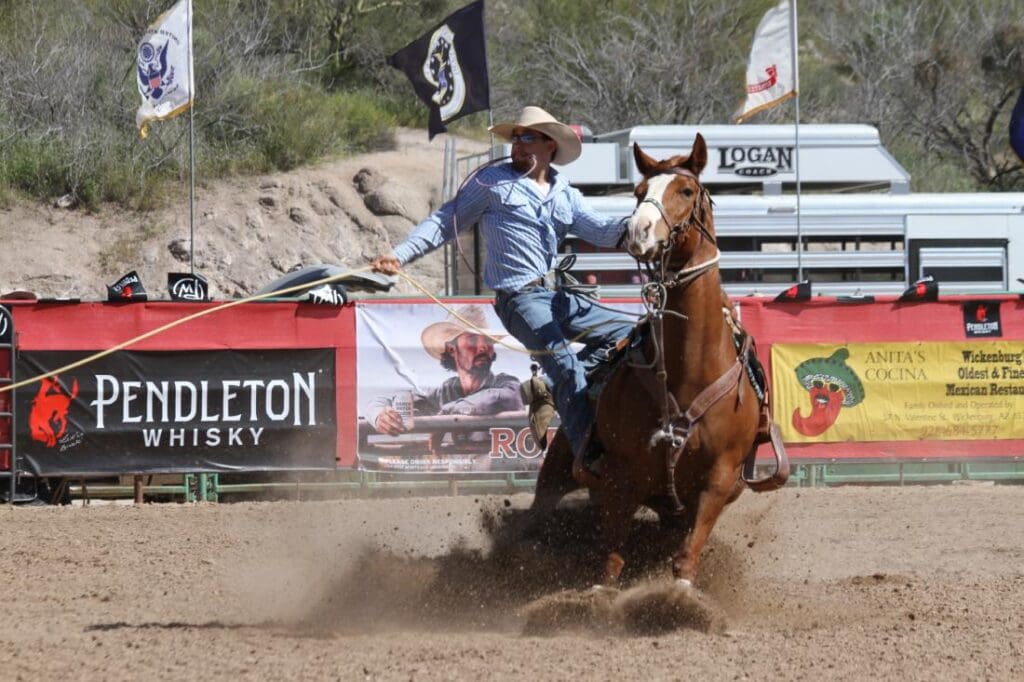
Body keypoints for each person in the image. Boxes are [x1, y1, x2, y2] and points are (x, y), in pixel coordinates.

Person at [370, 105, 635, 477]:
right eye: (515, 137)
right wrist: (400, 254)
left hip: (558, 297)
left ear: (549, 146)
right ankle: (588, 459)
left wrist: (641, 224)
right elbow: (445, 221)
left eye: (527, 137)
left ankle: (546, 387)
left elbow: (604, 231)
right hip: (521, 299)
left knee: (630, 334)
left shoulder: (565, 194)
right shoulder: (492, 183)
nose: (518, 144)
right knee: (566, 367)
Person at [365, 304, 522, 442]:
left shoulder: (505, 384)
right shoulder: (444, 392)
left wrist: (448, 412)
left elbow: (510, 397)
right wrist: (380, 415)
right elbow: (384, 402)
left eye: (487, 341)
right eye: (473, 340)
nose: (482, 347)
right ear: (452, 349)